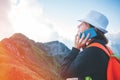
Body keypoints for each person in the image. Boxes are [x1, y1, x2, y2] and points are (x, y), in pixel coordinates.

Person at [60, 10, 109, 80]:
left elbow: (64, 73)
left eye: (83, 23)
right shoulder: (102, 48)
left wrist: (76, 48)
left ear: (93, 29)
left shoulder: (92, 51)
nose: (78, 26)